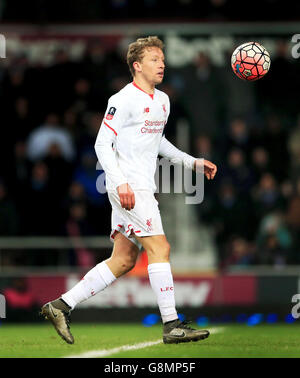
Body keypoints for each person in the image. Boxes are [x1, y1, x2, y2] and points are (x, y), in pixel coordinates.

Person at [41, 36, 217, 345]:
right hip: (129, 186)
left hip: (140, 186)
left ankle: (60, 305)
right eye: (153, 59)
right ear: (136, 66)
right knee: (160, 249)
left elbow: (158, 142)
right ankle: (172, 325)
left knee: (123, 260)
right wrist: (119, 181)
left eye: (162, 58)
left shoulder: (163, 101)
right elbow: (101, 144)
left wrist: (192, 162)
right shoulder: (121, 100)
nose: (161, 63)